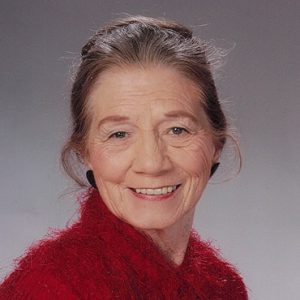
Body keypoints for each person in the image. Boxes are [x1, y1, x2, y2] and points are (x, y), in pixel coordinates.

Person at [0, 15, 248, 299]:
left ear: (216, 143)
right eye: (119, 134)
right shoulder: (51, 286)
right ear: (85, 153)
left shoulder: (222, 287)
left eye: (177, 130)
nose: (152, 163)